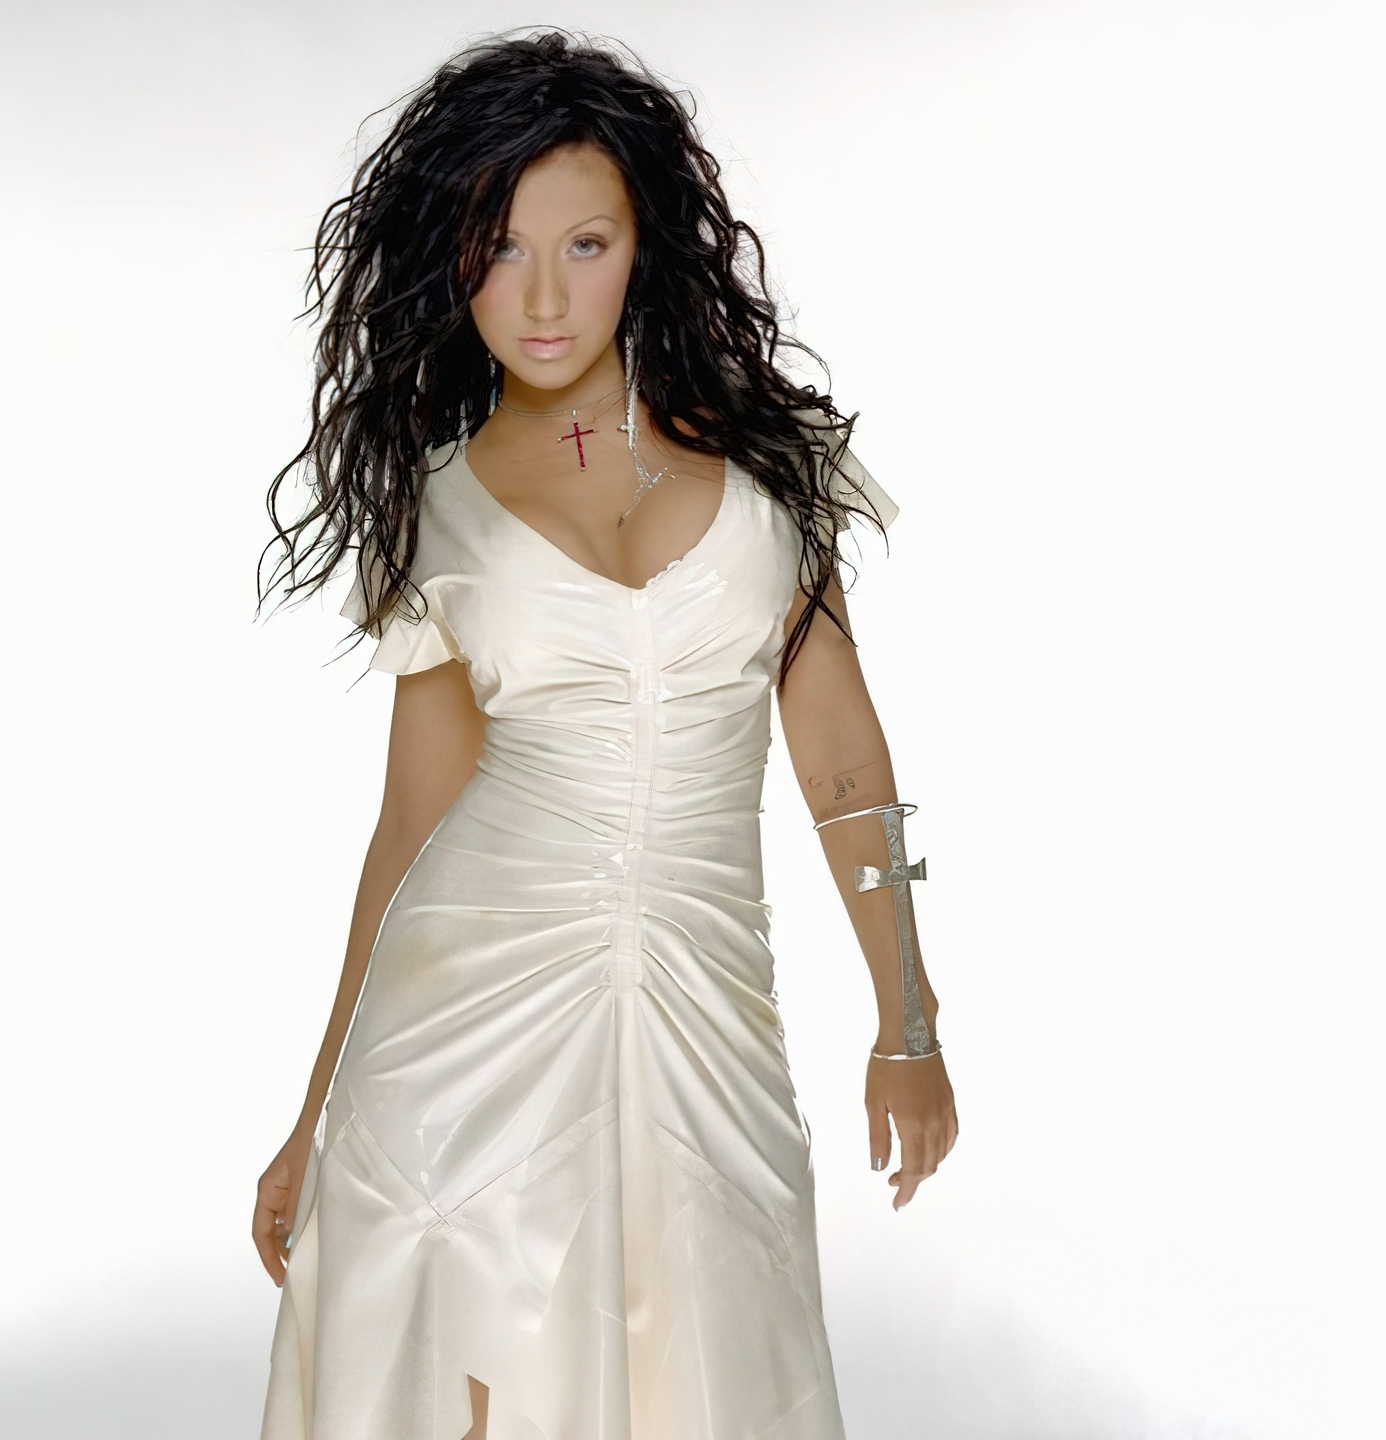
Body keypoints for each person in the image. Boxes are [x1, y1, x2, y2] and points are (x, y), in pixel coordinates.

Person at [248, 31, 957, 1440]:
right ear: (452, 262)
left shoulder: (773, 467)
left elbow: (840, 757)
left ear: (648, 245)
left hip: (707, 1017)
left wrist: (911, 1019)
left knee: (705, 1359)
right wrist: (313, 1110)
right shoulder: (436, 507)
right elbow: (412, 823)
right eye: (500, 250)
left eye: (585, 244)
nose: (542, 297)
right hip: (457, 1028)